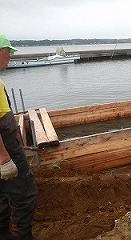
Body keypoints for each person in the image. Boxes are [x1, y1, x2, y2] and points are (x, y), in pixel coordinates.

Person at [0, 33, 38, 240]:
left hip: (5, 144)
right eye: (8, 52)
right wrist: (4, 157)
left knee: (3, 193)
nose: (10, 58)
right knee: (25, 194)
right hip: (5, 149)